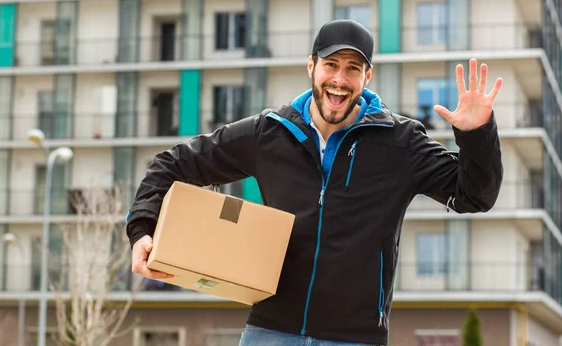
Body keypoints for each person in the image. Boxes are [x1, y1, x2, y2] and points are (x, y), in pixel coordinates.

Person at [126, 19, 504, 346]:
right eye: (331, 65)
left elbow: (473, 195)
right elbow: (172, 164)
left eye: (353, 68)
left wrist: (476, 135)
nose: (340, 80)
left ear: (367, 76)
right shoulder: (270, 133)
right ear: (311, 66)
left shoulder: (399, 142)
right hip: (270, 331)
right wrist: (142, 228)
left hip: (354, 337)